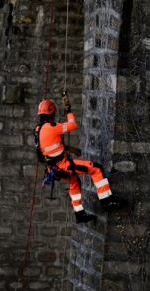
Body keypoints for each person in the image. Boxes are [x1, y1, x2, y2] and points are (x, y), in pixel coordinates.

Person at [34, 93, 127, 223]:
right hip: (63, 165)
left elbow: (51, 147)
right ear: (52, 113)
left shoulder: (38, 130)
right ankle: (107, 201)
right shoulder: (52, 127)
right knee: (96, 168)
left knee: (74, 181)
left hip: (53, 168)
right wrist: (68, 110)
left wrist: (70, 149)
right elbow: (72, 125)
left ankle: (80, 214)